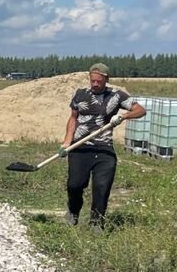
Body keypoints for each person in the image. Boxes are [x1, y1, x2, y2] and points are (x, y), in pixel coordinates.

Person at [62, 63, 145, 231]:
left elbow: (141, 110)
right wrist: (66, 142)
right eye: (92, 81)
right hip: (80, 147)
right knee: (75, 185)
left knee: (102, 186)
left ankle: (96, 222)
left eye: (99, 81)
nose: (95, 84)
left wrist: (123, 116)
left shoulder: (117, 96)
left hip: (104, 148)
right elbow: (73, 118)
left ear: (106, 80)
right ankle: (73, 211)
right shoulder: (79, 94)